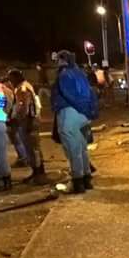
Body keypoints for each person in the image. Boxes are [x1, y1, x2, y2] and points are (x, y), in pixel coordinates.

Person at [51, 50, 99, 194]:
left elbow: (69, 95)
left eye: (58, 60)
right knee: (82, 147)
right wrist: (88, 111)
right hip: (83, 115)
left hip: (69, 113)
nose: (56, 63)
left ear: (62, 60)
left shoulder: (64, 74)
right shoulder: (80, 73)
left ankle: (77, 182)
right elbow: (90, 93)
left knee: (73, 149)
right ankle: (86, 179)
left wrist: (79, 107)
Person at [8, 68, 48, 184]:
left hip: (28, 121)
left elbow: (24, 107)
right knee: (34, 148)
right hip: (30, 120)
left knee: (32, 148)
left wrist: (17, 119)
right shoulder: (25, 86)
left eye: (11, 79)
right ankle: (37, 172)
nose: (10, 82)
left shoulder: (22, 88)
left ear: (16, 78)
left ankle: (38, 174)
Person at [2, 76, 28, 168]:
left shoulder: (9, 92)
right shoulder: (15, 90)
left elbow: (9, 106)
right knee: (18, 138)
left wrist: (7, 117)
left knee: (16, 139)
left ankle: (23, 158)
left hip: (13, 118)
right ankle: (23, 157)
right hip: (15, 118)